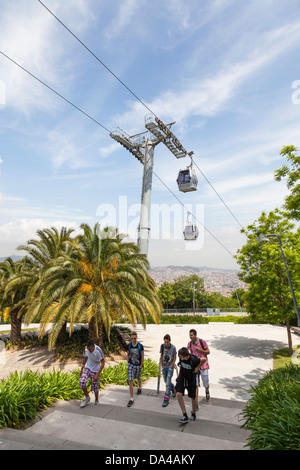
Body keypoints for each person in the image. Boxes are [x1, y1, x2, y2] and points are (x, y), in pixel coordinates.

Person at [176, 347, 206, 423]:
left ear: (186, 356)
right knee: (178, 394)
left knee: (193, 397)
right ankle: (184, 414)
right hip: (182, 376)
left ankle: (193, 412)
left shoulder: (194, 360)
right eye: (179, 357)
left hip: (191, 378)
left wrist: (198, 367)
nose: (180, 358)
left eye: (181, 357)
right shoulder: (181, 358)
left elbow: (204, 359)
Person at [187, 328, 210, 405]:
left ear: (195, 335)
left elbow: (208, 352)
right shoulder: (190, 344)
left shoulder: (202, 342)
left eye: (191, 335)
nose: (190, 337)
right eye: (189, 335)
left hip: (203, 365)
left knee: (205, 382)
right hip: (195, 366)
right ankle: (196, 403)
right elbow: (190, 354)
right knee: (195, 384)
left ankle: (207, 390)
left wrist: (200, 350)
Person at [79, 339, 105, 408]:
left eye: (90, 349)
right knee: (82, 382)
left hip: (96, 370)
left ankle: (96, 399)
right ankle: (87, 398)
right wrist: (81, 369)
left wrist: (97, 375)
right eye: (88, 349)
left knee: (95, 387)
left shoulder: (98, 350)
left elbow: (103, 363)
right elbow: (85, 358)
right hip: (88, 368)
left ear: (93, 346)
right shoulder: (86, 349)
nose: (89, 351)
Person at [126, 331, 144, 407]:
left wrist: (141, 364)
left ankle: (139, 387)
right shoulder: (129, 345)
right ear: (131, 338)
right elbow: (127, 354)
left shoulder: (140, 346)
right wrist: (128, 362)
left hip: (137, 365)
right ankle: (132, 398)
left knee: (138, 377)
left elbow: (142, 356)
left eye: (135, 338)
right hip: (131, 365)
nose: (133, 339)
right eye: (132, 338)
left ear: (137, 337)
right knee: (130, 380)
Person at [159, 334, 177, 407]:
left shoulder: (173, 348)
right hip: (164, 367)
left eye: (167, 342)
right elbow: (161, 355)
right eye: (165, 342)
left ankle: (166, 398)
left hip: (170, 367)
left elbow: (174, 357)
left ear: (170, 341)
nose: (166, 344)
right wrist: (162, 364)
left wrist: (171, 365)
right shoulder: (162, 346)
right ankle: (173, 388)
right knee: (166, 381)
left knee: (167, 384)